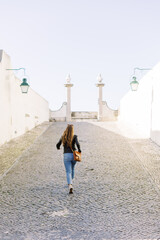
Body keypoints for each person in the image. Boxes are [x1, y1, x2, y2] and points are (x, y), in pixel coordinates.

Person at [56, 124, 81, 194]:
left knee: (68, 171)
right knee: (72, 169)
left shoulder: (63, 136)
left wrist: (58, 147)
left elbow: (58, 144)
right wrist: (79, 150)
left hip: (66, 155)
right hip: (74, 155)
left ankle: (70, 185)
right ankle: (71, 181)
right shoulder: (75, 136)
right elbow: (78, 144)